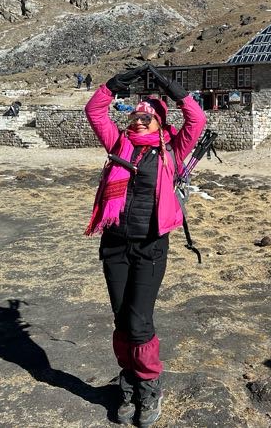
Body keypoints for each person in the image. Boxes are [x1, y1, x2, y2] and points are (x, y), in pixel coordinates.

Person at [84, 63, 206, 426]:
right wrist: (111, 86)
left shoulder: (172, 150)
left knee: (139, 322)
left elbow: (196, 120)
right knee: (122, 320)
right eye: (135, 116)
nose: (138, 121)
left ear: (160, 123)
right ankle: (128, 381)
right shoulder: (118, 144)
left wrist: (174, 91)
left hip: (151, 247)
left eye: (147, 117)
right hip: (115, 245)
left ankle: (150, 385)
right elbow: (94, 110)